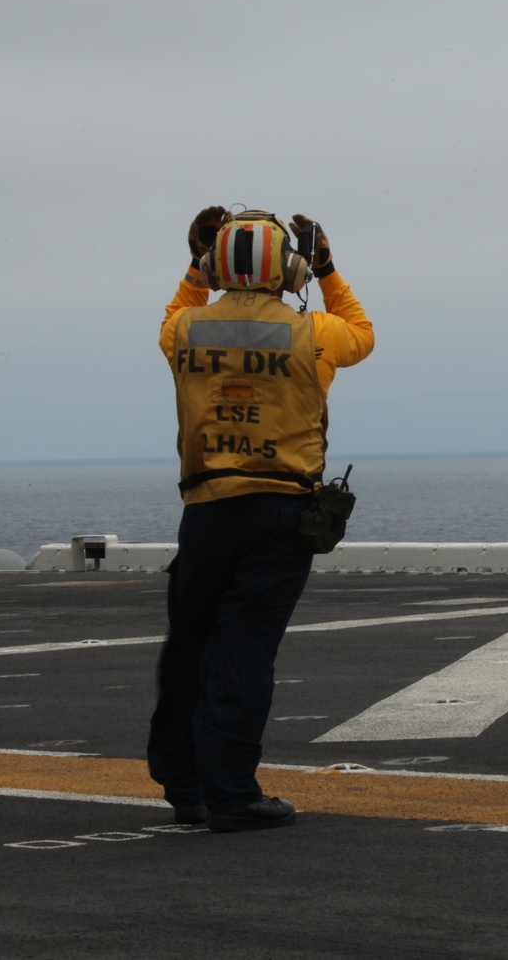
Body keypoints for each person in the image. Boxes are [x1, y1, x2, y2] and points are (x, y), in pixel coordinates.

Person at [147, 206, 374, 832]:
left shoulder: (187, 330)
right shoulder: (316, 334)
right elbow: (363, 331)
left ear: (215, 265)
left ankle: (184, 785)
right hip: (281, 515)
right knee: (243, 649)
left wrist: (196, 268)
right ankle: (231, 793)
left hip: (206, 510)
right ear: (291, 268)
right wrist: (327, 269)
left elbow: (170, 317)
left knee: (190, 643)